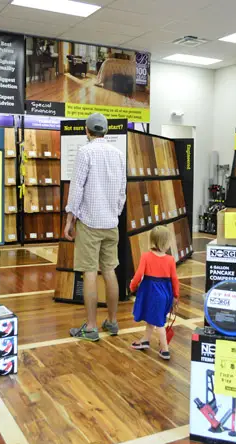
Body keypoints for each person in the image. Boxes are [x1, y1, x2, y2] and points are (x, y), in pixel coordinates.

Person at [64, 113, 126, 342]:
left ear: (87, 131)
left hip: (89, 223)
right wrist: (114, 213)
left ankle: (90, 327)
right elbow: (122, 191)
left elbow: (77, 188)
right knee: (109, 271)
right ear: (106, 131)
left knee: (89, 272)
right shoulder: (119, 154)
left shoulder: (85, 152)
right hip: (111, 223)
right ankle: (112, 321)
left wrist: (70, 220)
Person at [129, 226, 179, 360]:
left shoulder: (146, 256)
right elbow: (175, 279)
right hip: (165, 293)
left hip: (151, 292)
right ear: (166, 242)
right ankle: (145, 340)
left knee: (159, 322)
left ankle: (165, 349)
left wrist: (132, 286)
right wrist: (175, 296)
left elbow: (139, 275)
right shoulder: (170, 260)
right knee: (154, 317)